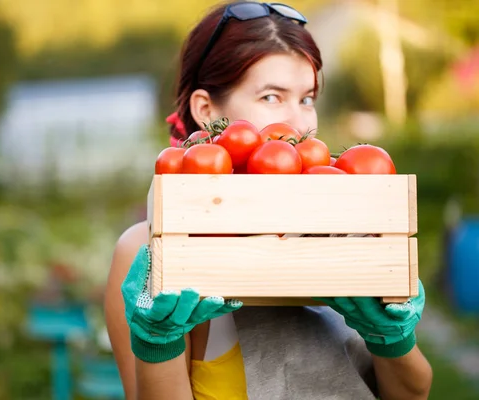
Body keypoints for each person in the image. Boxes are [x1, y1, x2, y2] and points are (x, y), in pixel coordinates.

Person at [104, 2, 433, 399]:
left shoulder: (347, 231)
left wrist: (392, 338)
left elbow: (411, 394)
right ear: (207, 110)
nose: (300, 123)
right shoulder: (148, 253)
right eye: (272, 98)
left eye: (307, 98)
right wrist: (159, 344)